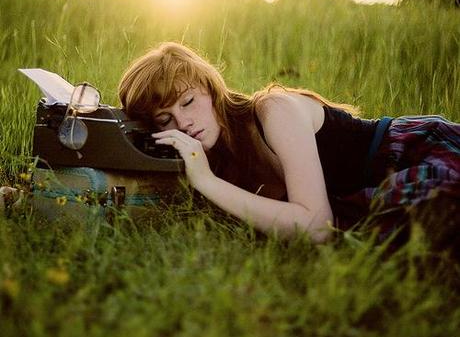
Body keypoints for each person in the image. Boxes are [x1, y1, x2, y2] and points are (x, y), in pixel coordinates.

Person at [118, 41, 460, 247]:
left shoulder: (273, 110)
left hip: (413, 155)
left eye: (188, 102)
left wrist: (206, 182)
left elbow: (316, 229)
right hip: (371, 196)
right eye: (165, 120)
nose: (183, 123)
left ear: (211, 88)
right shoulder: (218, 154)